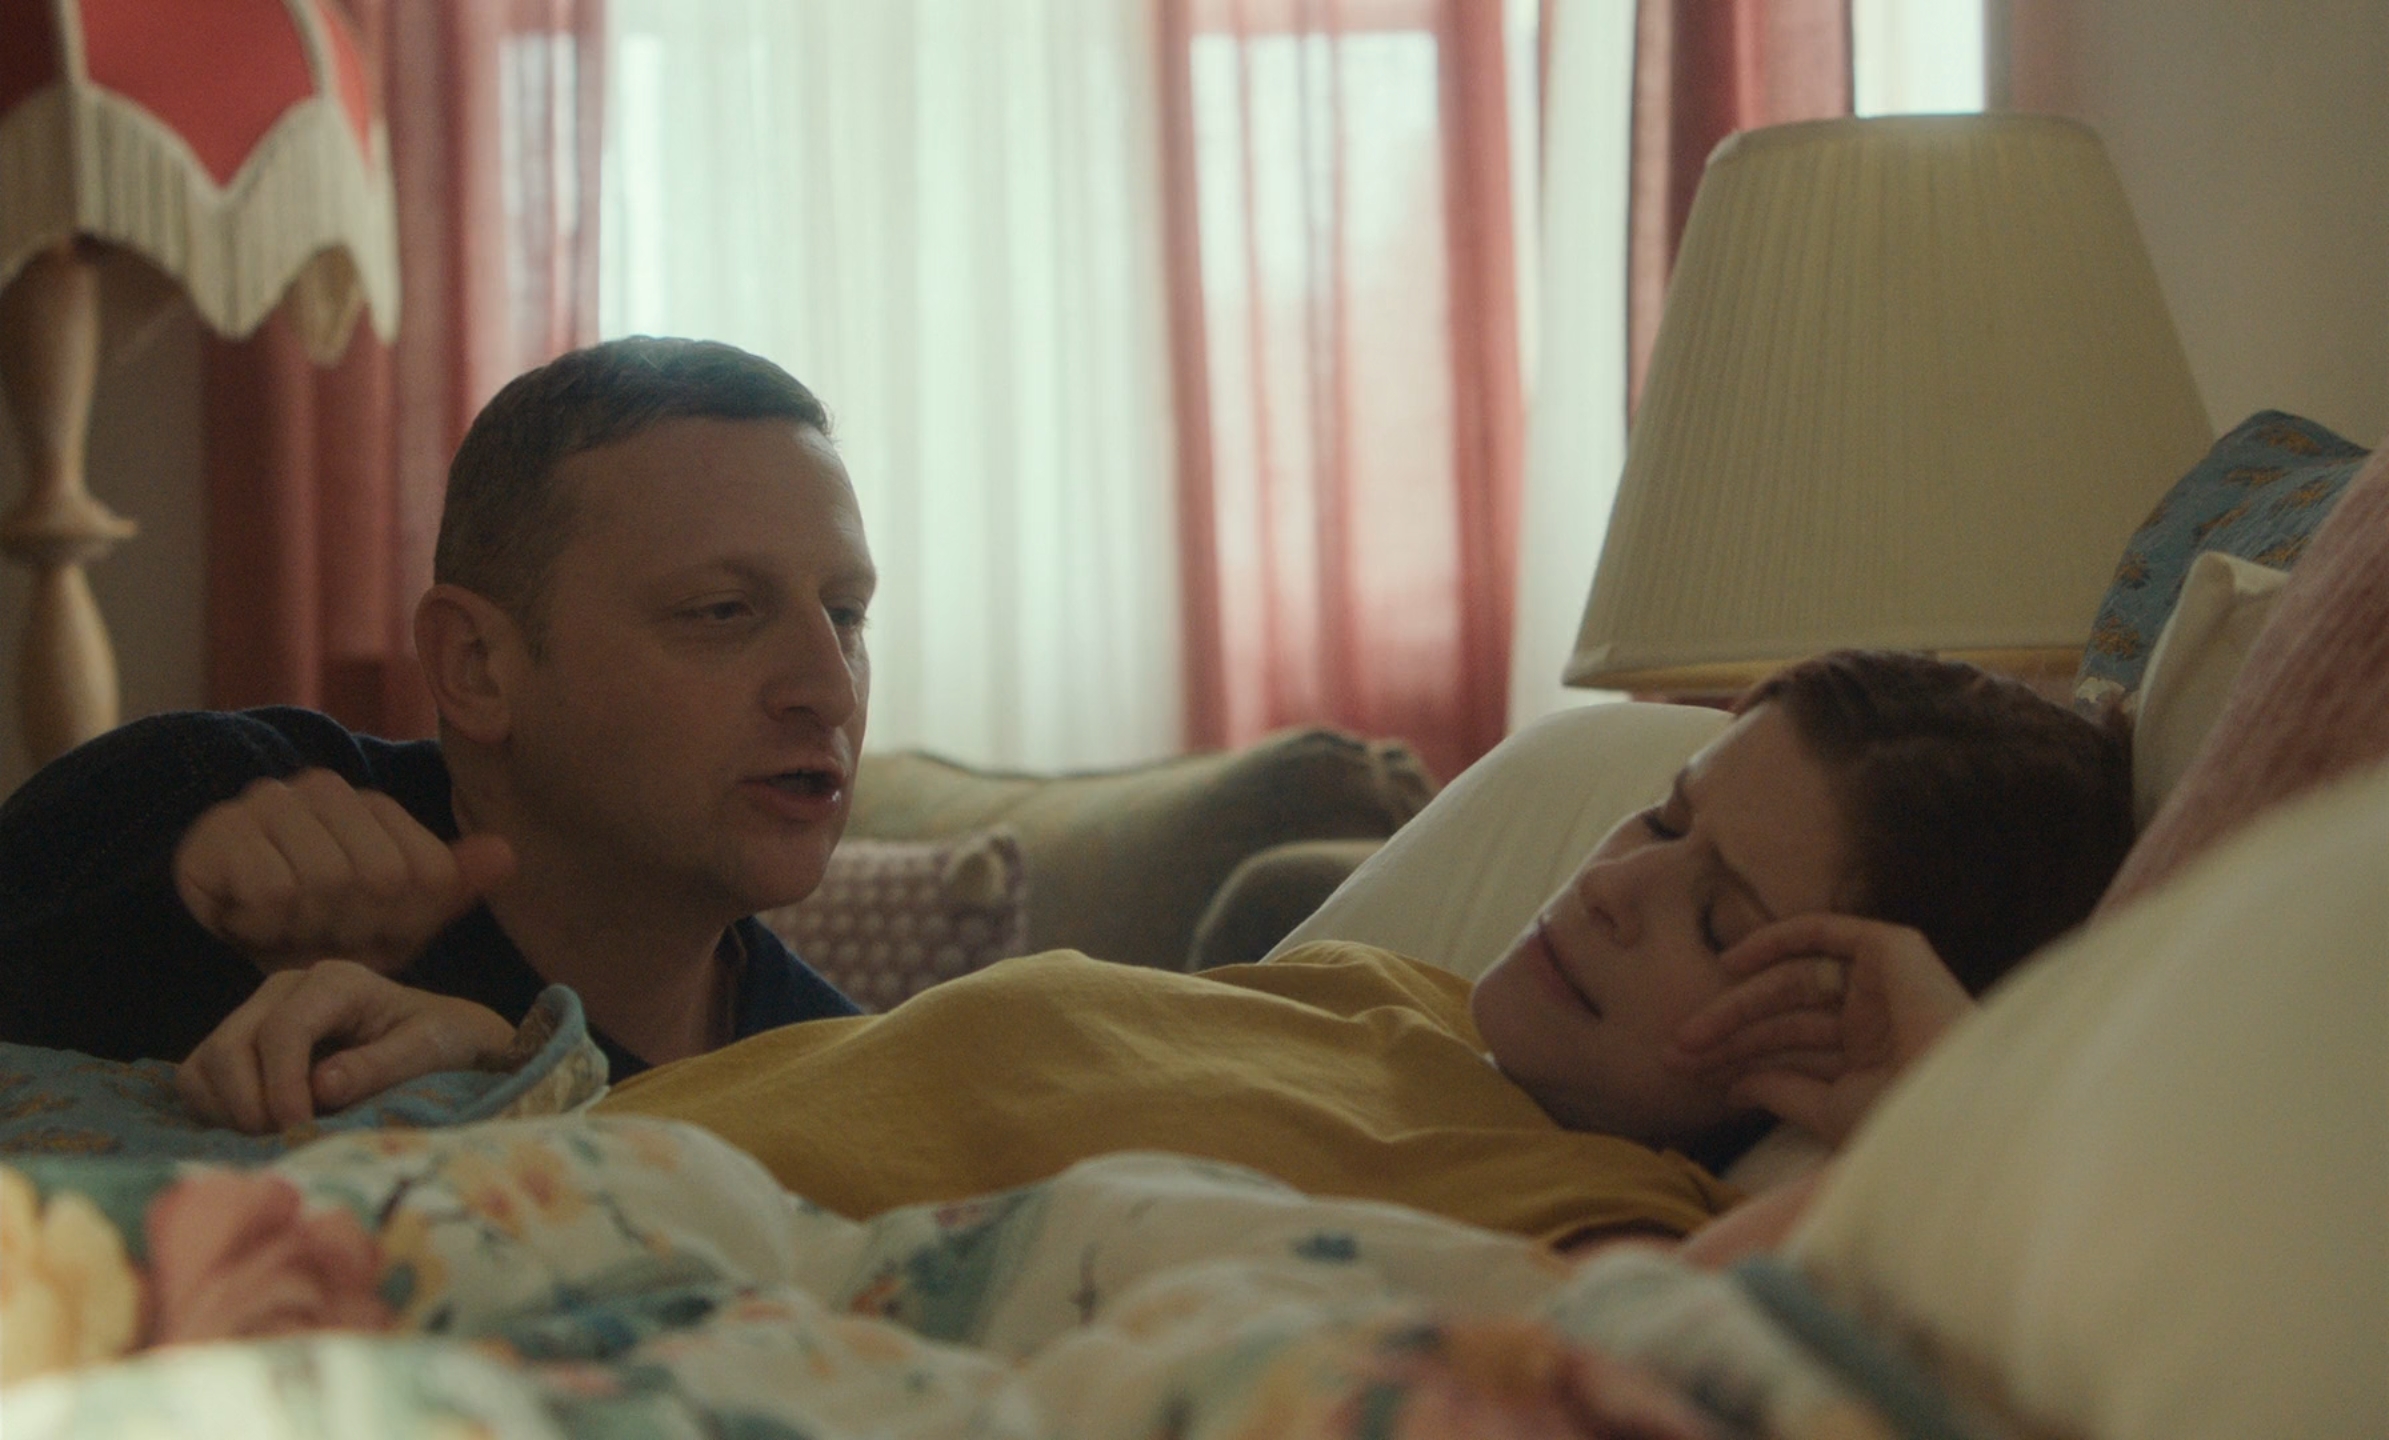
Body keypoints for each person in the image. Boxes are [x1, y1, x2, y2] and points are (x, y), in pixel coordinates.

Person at [582, 649, 2136, 1246]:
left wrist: (1948, 1100)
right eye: (1662, 820)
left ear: (1834, 1029)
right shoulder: (1385, 987)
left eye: (1721, 918)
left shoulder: (1607, 1220)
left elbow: (1767, 1334)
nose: (1618, 887)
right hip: (564, 1144)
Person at [0, 338, 874, 1115]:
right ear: (476, 665)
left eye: (844, 615)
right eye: (721, 610)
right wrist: (158, 914)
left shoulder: (847, 1084)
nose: (830, 690)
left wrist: (516, 1082)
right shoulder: (200, 805)